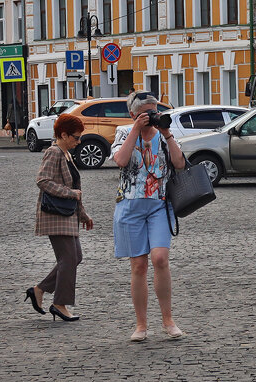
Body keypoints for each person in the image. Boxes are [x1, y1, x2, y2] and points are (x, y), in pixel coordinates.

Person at [112, 90, 187, 341]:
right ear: (133, 114)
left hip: (159, 204)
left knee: (160, 258)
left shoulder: (164, 135)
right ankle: (141, 325)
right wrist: (135, 129)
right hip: (131, 205)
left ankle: (168, 320)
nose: (151, 116)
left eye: (154, 111)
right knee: (139, 265)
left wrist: (167, 133)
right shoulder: (124, 132)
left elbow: (179, 164)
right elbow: (121, 160)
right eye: (145, 113)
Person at [26, 113, 94, 322]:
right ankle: (59, 304)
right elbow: (42, 180)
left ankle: (39, 290)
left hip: (67, 214)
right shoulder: (53, 153)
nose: (79, 141)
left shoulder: (67, 154)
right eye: (75, 137)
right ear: (63, 135)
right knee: (69, 258)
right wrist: (69, 193)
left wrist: (83, 214)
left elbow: (75, 188)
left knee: (76, 257)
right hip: (55, 214)